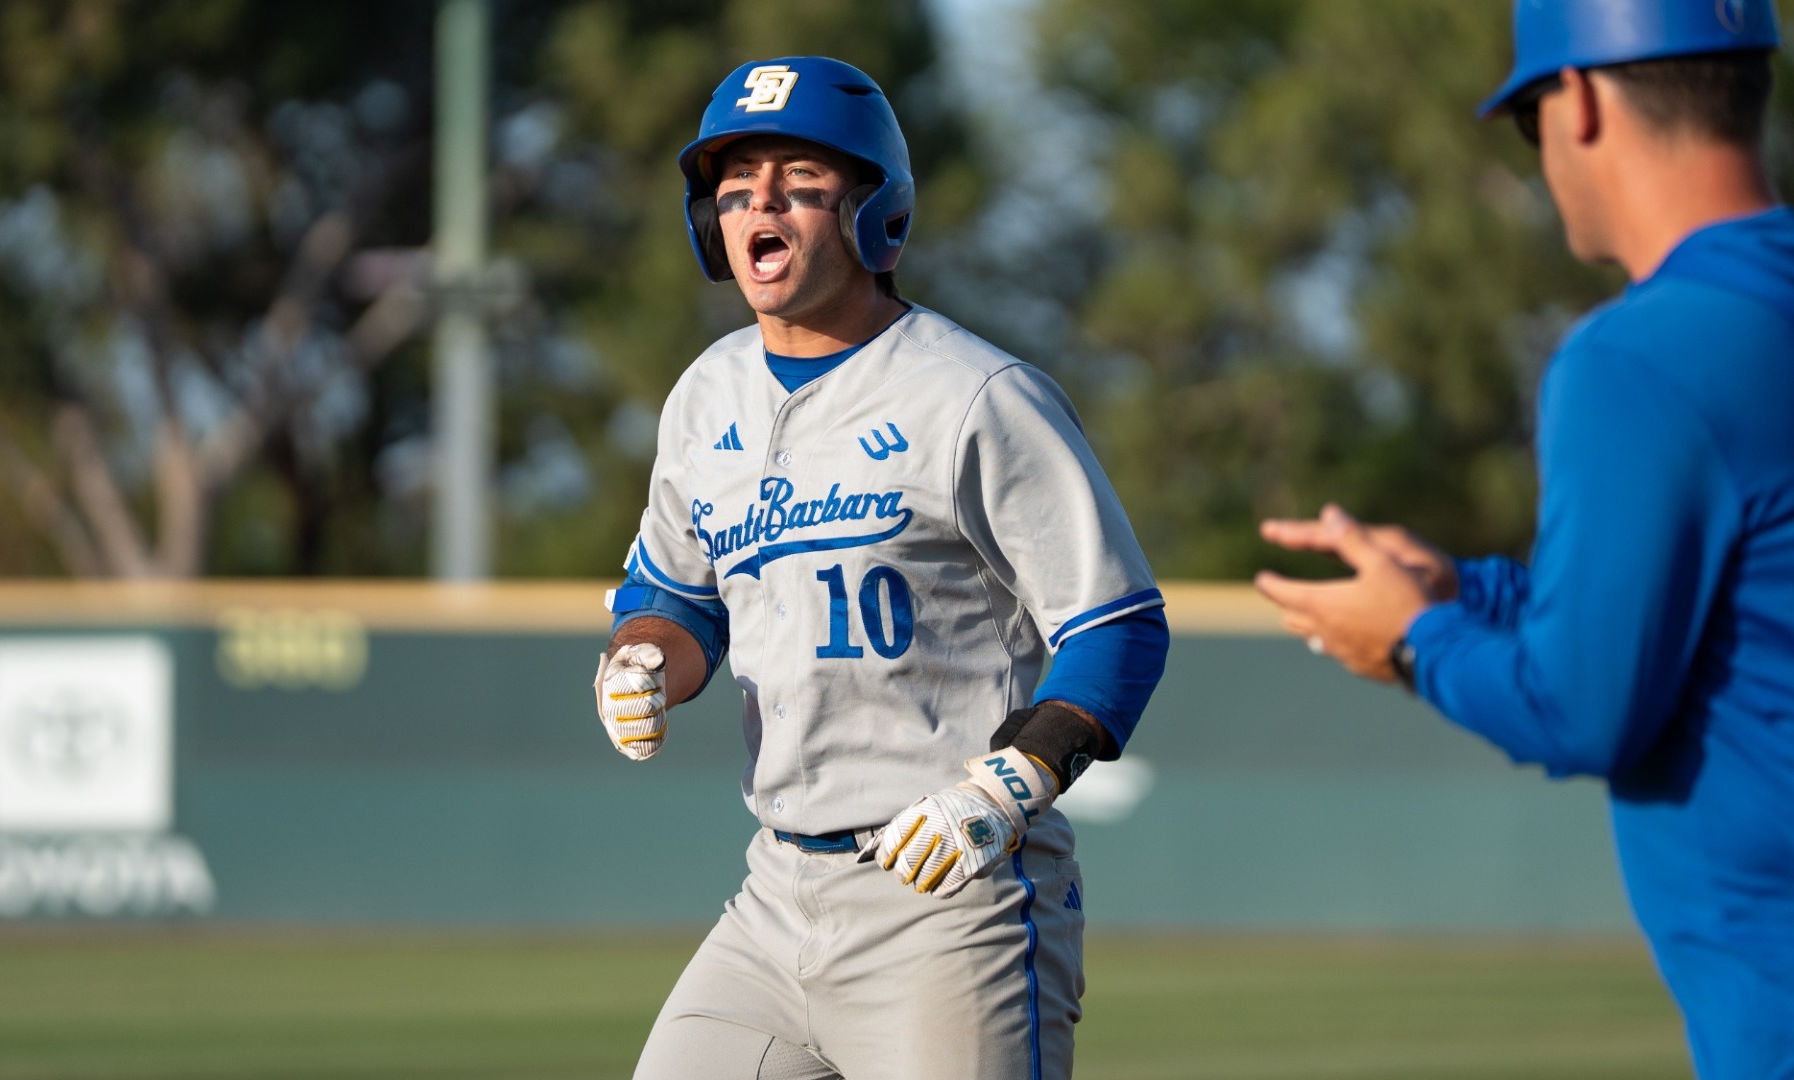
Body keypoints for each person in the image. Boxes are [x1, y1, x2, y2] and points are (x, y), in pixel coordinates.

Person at [592, 56, 1168, 1080]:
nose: (758, 200)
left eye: (798, 177)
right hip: (774, 895)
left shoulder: (974, 393)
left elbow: (1117, 625)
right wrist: (640, 659)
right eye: (735, 183)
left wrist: (1014, 781)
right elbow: (677, 601)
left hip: (949, 894)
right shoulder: (705, 395)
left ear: (873, 212)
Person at [1252, 2, 1794, 1076]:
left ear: (1579, 101)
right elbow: (1734, 605)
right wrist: (1466, 590)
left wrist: (1415, 641)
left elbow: (1582, 708)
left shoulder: (1639, 357)